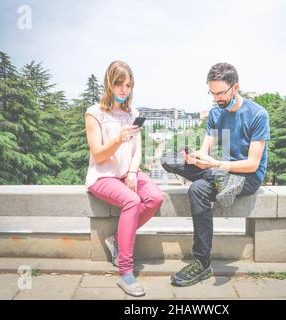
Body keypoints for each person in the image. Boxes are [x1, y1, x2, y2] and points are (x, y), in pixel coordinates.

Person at [161, 62, 270, 287]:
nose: (217, 98)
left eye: (221, 92)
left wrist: (217, 164)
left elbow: (253, 163)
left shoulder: (258, 114)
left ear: (235, 87)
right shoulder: (215, 113)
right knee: (170, 160)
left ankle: (201, 261)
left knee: (204, 182)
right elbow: (205, 148)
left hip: (247, 176)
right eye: (212, 93)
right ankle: (202, 263)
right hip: (219, 171)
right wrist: (196, 158)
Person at [85, 60, 163, 297]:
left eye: (128, 84)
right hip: (103, 177)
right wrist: (118, 139)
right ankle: (125, 272)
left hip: (127, 173)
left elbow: (137, 150)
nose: (123, 89)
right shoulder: (94, 113)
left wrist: (131, 172)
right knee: (133, 201)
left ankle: (117, 239)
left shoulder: (133, 113)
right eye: (119, 83)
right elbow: (98, 155)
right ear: (110, 82)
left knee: (155, 198)